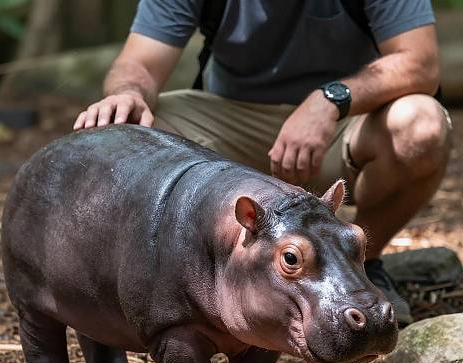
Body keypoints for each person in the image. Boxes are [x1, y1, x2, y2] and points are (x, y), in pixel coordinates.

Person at [73, 0, 452, 325]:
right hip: (224, 129)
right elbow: (139, 63)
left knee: (422, 124)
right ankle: (187, 281)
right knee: (126, 129)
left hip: (342, 123)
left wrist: (329, 101)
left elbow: (420, 62)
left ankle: (358, 266)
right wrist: (127, 93)